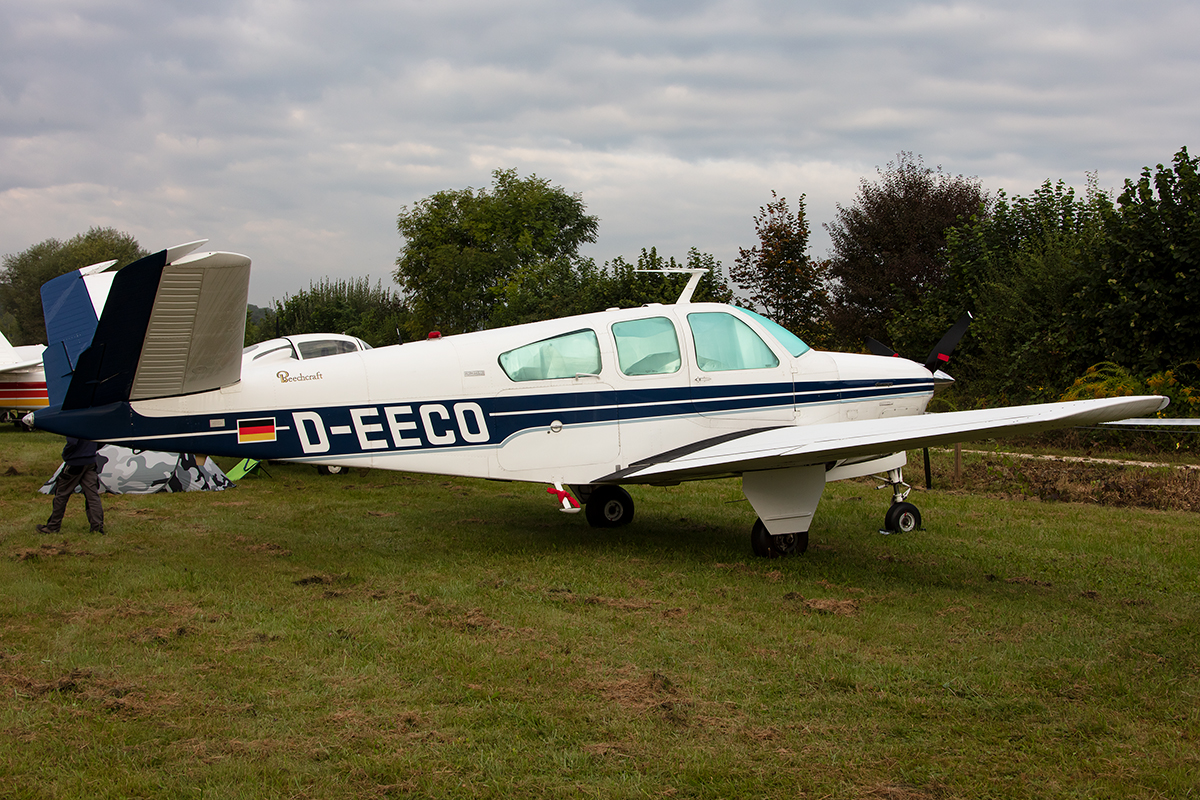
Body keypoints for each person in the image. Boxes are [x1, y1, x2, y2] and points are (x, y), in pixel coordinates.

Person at [37, 437, 105, 534]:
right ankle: (97, 527)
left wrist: (67, 454)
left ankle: (53, 526)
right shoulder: (93, 422)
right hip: (90, 461)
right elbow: (101, 440)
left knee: (62, 494)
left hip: (75, 462)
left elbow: (72, 442)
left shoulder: (76, 422)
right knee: (92, 495)